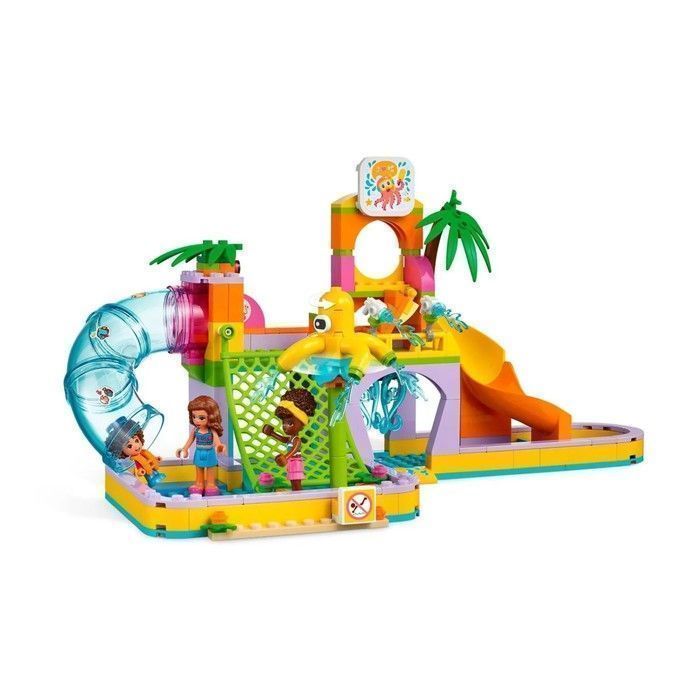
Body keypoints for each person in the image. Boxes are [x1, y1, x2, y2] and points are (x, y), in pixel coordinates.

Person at [262, 388, 317, 491]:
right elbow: (284, 439)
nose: (285, 426)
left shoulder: (296, 439)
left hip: (296, 463)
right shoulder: (291, 438)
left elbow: (294, 449)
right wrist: (272, 433)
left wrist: (286, 457)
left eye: (290, 423)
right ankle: (295, 493)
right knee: (293, 481)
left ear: (301, 424)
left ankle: (298, 494)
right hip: (292, 463)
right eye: (284, 423)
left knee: (296, 481)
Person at [177, 395, 227, 496]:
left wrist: (220, 447)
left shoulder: (211, 430)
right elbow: (190, 440)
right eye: (194, 417)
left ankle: (210, 484)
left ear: (211, 417)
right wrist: (184, 449)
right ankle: (199, 483)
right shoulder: (195, 430)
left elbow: (217, 442)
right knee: (199, 468)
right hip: (199, 452)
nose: (196, 420)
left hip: (210, 452)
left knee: (210, 469)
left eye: (201, 418)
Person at [104, 417, 165, 487]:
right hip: (143, 471)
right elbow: (138, 465)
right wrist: (140, 470)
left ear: (140, 437)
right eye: (129, 446)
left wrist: (157, 458)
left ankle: (157, 474)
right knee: (147, 474)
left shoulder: (144, 452)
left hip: (151, 466)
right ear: (121, 450)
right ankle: (150, 480)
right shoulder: (135, 458)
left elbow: (151, 457)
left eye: (136, 440)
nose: (136, 446)